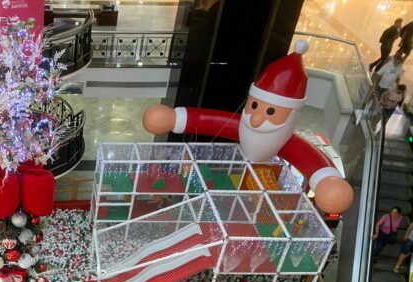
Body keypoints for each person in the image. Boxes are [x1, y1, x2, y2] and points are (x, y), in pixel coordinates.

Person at [142, 40, 354, 214]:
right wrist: (173, 118)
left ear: (291, 114)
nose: (255, 119)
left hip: (254, 178)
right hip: (240, 173)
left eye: (270, 112)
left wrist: (326, 180)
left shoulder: (283, 140)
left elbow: (307, 156)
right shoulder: (244, 126)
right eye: (254, 106)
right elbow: (210, 120)